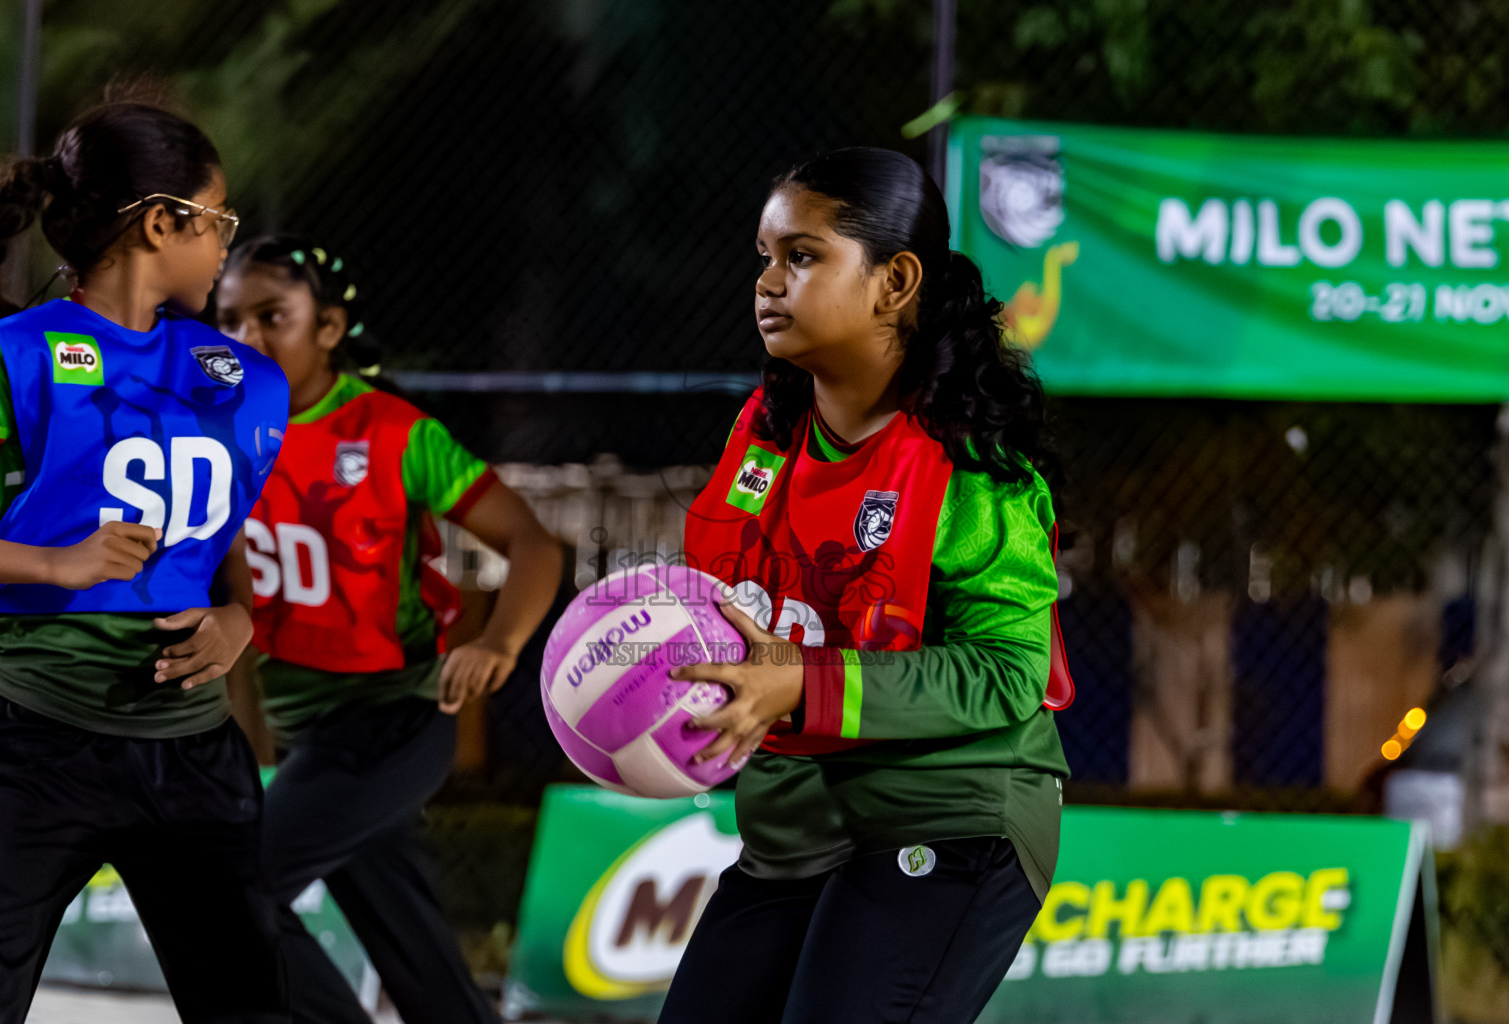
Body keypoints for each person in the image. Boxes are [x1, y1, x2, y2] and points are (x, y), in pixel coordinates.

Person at [663, 147, 1074, 1024]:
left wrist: (798, 687)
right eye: (765, 258)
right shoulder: (764, 434)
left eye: (803, 257)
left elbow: (1006, 675)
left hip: (952, 813)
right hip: (795, 830)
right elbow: (719, 615)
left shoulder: (967, 461)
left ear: (895, 283)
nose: (769, 282)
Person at [0, 100, 289, 1022]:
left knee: (247, 1005)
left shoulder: (240, 379)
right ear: (162, 221)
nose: (228, 242)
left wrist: (241, 617)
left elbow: (225, 547)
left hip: (189, 749)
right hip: (31, 741)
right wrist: (57, 567)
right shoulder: (12, 358)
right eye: (217, 219)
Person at [215, 236, 563, 1024]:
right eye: (230, 320)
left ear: (330, 327)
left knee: (224, 894)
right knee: (415, 951)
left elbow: (533, 544)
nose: (246, 341)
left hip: (395, 720)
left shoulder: (393, 432)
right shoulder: (223, 434)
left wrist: (501, 642)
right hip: (312, 735)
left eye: (273, 317)